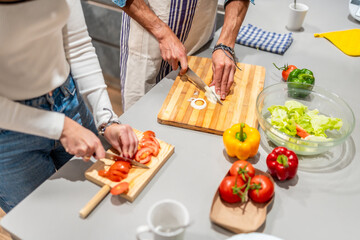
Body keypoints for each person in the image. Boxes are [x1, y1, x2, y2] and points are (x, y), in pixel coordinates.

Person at [0, 0, 138, 213]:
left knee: (101, 205)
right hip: (8, 137)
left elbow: (77, 45)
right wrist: (60, 127)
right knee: (43, 224)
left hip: (68, 102)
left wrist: (106, 119)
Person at [112, 0, 251, 110]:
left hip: (200, 39)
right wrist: (161, 31)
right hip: (149, 39)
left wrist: (225, 44)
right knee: (142, 123)